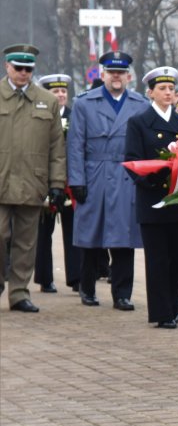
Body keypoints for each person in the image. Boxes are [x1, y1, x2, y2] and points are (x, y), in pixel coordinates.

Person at [67, 50, 148, 310]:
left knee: (124, 238)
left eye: (121, 73)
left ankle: (122, 293)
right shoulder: (84, 103)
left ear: (128, 76)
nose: (116, 77)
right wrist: (76, 180)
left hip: (126, 176)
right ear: (102, 74)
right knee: (92, 236)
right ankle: (87, 287)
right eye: (112, 72)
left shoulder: (140, 104)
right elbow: (75, 145)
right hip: (95, 175)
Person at [124, 67, 178, 328]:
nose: (168, 93)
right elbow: (131, 160)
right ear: (150, 92)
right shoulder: (139, 122)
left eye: (171, 89)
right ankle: (162, 313)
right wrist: (153, 177)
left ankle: (173, 309)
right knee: (157, 259)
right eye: (162, 89)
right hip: (153, 200)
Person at [0, 44, 66, 313]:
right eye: (19, 68)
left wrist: (57, 184)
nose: (24, 73)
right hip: (2, 178)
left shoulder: (47, 100)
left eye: (29, 69)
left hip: (32, 180)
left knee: (26, 242)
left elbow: (56, 148)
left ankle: (18, 292)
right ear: (7, 67)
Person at [34, 73, 82, 295]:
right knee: (44, 231)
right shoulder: (40, 117)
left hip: (70, 183)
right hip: (46, 182)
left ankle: (76, 277)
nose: (61, 95)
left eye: (63, 91)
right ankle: (45, 278)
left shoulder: (75, 117)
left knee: (74, 231)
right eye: (56, 91)